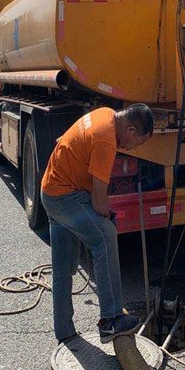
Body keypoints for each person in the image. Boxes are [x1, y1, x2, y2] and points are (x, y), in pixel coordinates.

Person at [41, 104, 155, 344]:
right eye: (138, 142)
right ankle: (111, 319)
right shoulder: (106, 141)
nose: (134, 148)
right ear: (131, 129)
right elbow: (99, 198)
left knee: (63, 269)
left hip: (50, 192)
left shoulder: (105, 114)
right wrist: (107, 217)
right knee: (105, 237)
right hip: (66, 196)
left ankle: (64, 331)